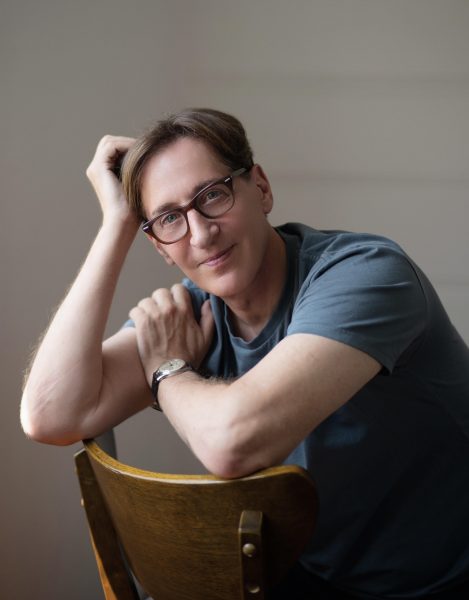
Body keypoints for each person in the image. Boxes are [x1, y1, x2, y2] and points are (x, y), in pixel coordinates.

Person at [21, 108, 469, 599]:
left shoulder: (368, 275)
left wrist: (168, 371)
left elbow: (231, 445)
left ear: (261, 188)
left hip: (442, 577)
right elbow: (49, 415)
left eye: (213, 195)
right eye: (170, 218)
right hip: (316, 575)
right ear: (159, 246)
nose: (200, 233)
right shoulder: (192, 315)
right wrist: (116, 224)